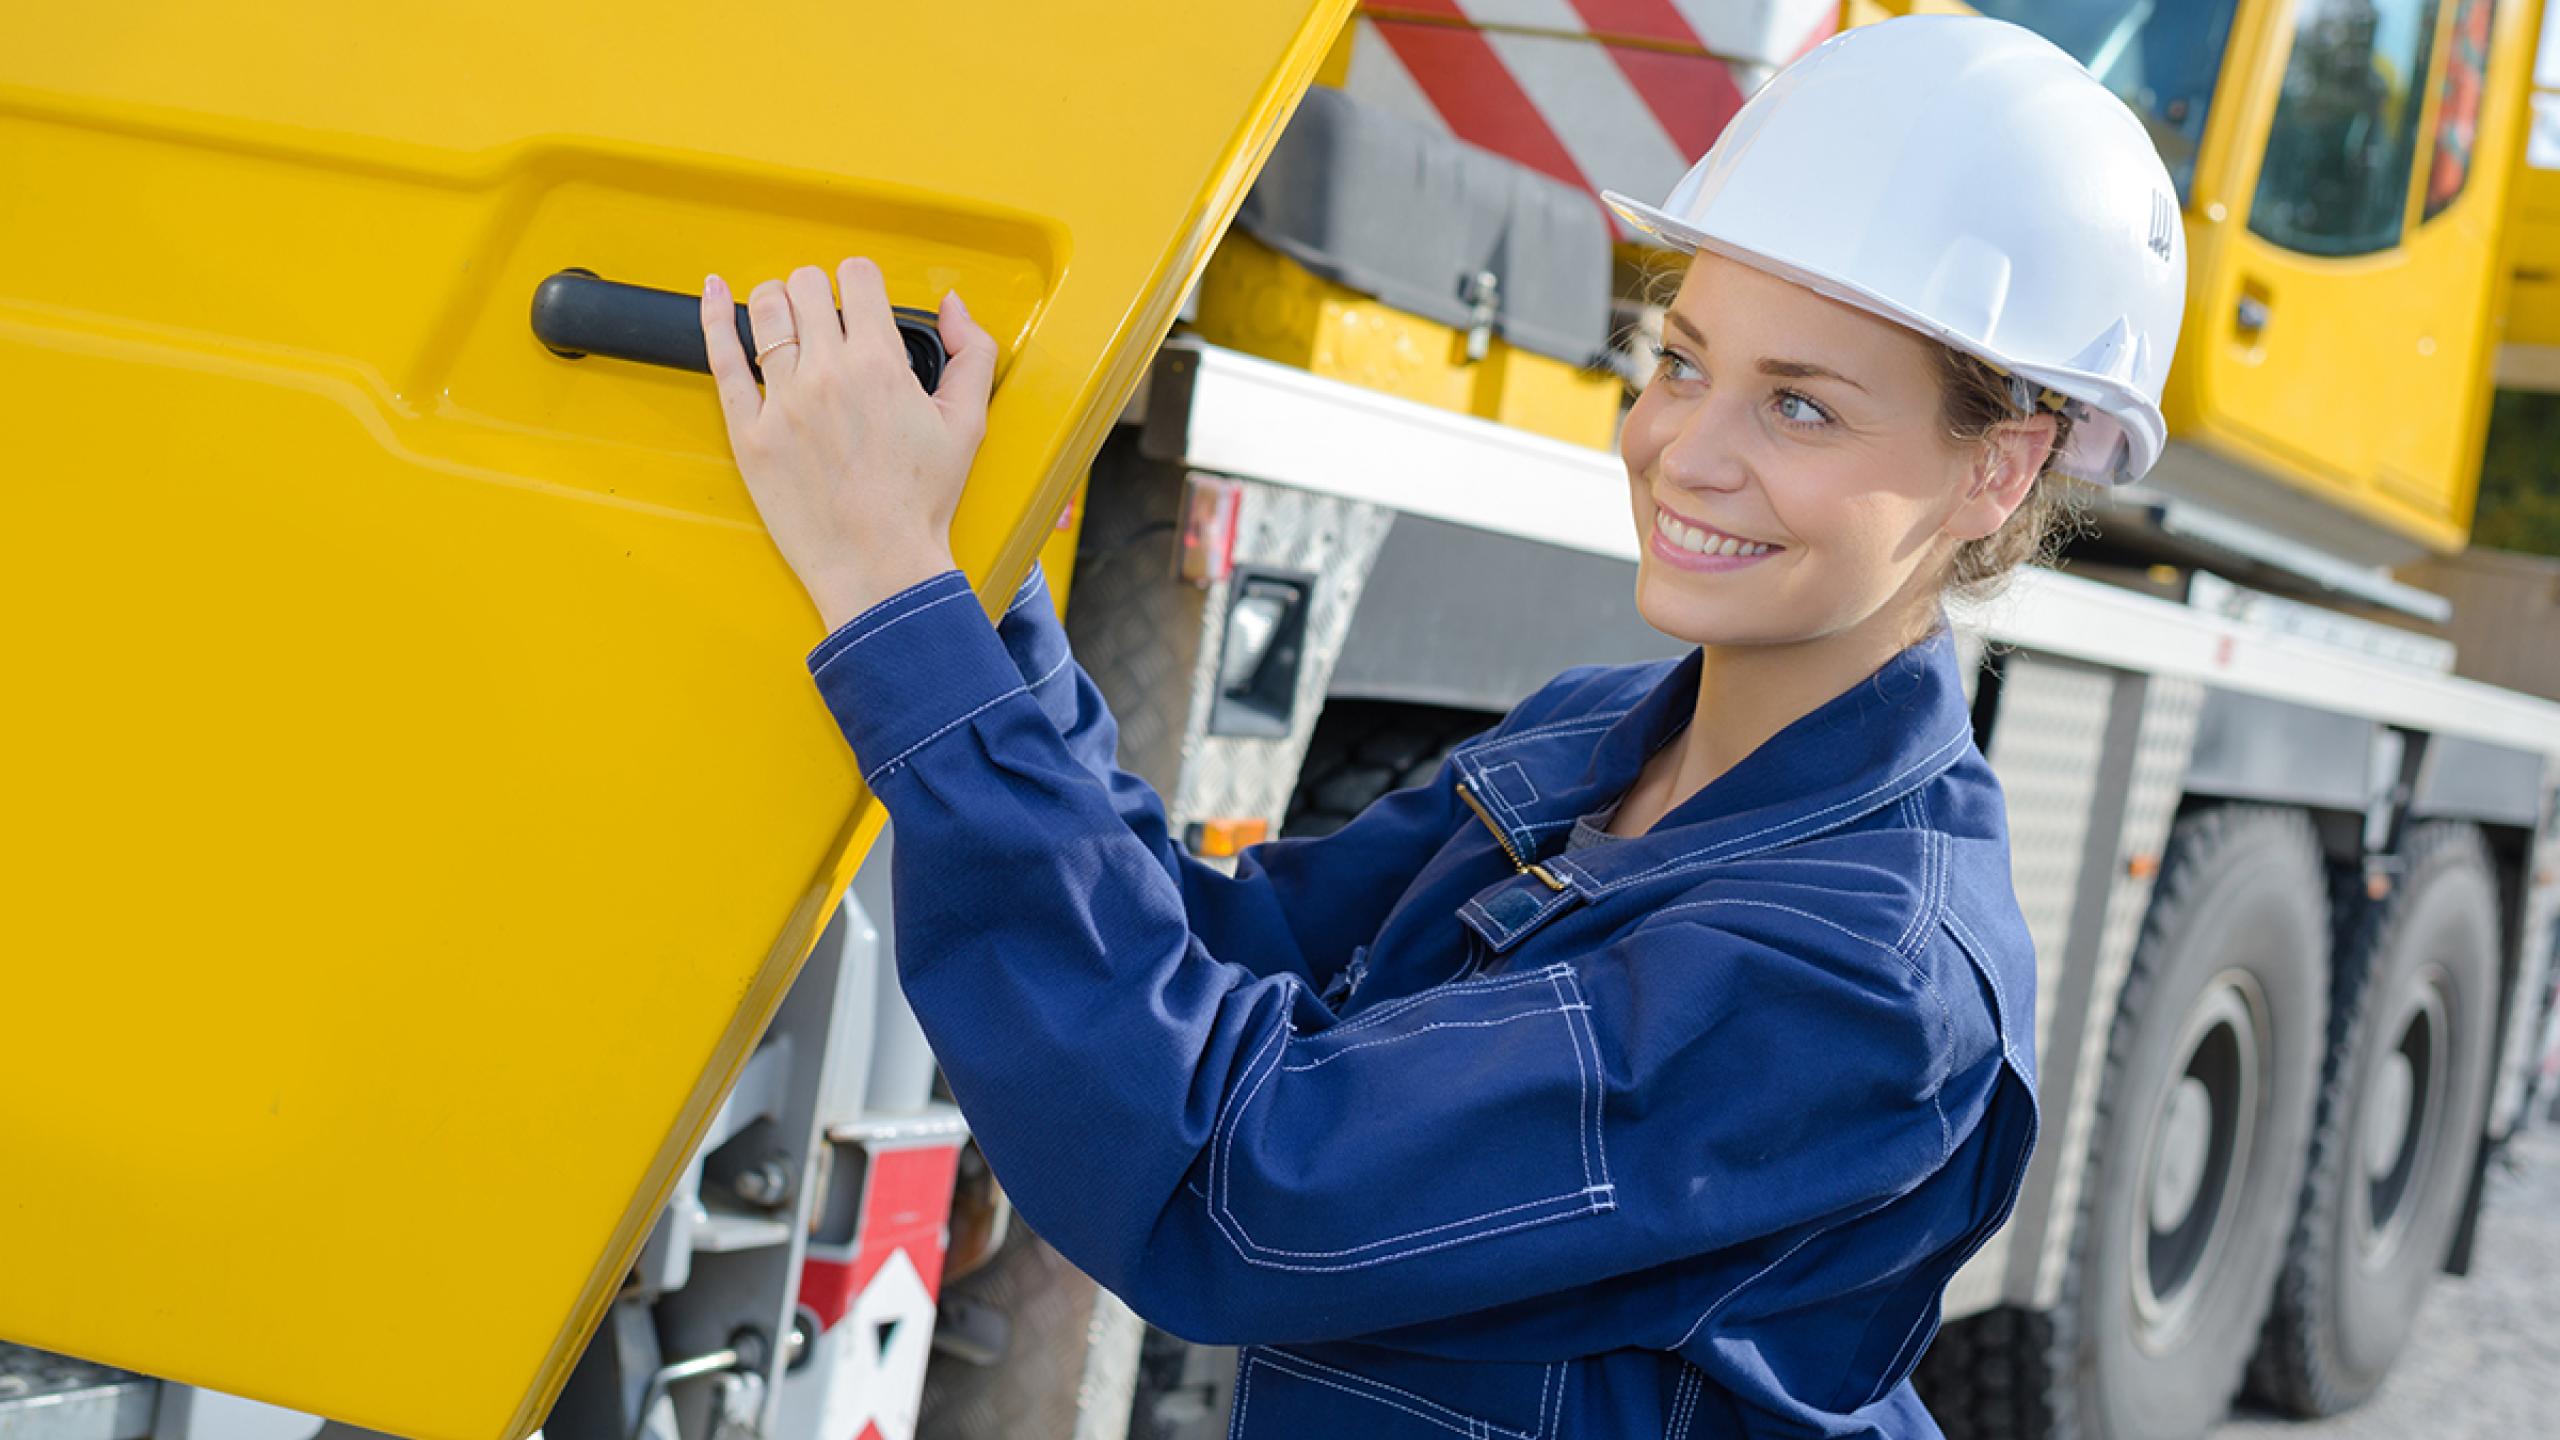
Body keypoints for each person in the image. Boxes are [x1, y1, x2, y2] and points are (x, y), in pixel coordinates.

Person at [692, 15, 2184, 1436]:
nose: (1684, 451)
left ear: (2002, 467)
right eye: (1682, 360)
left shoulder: (1862, 983)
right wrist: (967, 588)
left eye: (1800, 409)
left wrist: (897, 608)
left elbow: (1231, 1174)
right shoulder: (1597, 744)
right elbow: (1208, 948)